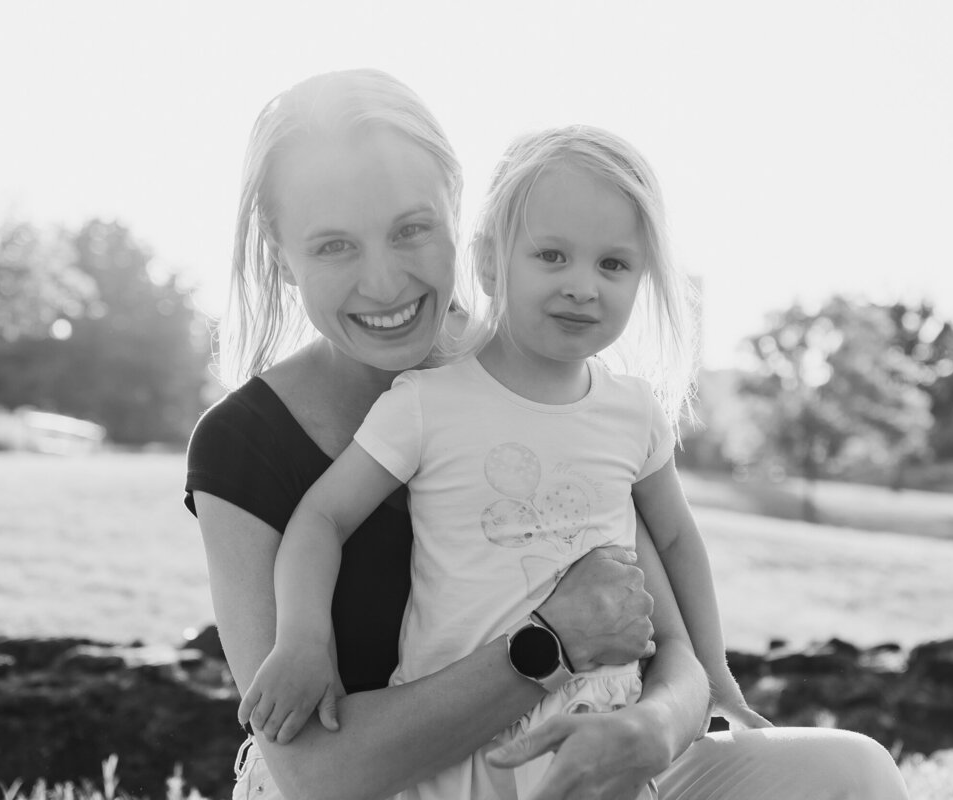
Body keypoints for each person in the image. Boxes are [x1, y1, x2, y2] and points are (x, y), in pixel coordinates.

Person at [185, 67, 910, 800]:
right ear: (282, 254)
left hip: (571, 757)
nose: (384, 283)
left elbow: (675, 649)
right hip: (387, 789)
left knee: (852, 773)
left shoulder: (546, 376)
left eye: (411, 230)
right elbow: (318, 771)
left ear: (458, 215)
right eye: (334, 247)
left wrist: (652, 728)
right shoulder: (242, 446)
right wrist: (551, 642)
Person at [237, 124, 770, 800]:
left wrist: (715, 674)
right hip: (459, 751)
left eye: (613, 265)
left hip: (602, 736)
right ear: (489, 263)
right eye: (552, 256)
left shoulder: (633, 413)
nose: (583, 286)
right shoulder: (429, 403)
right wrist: (303, 640)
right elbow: (320, 519)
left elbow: (675, 538)